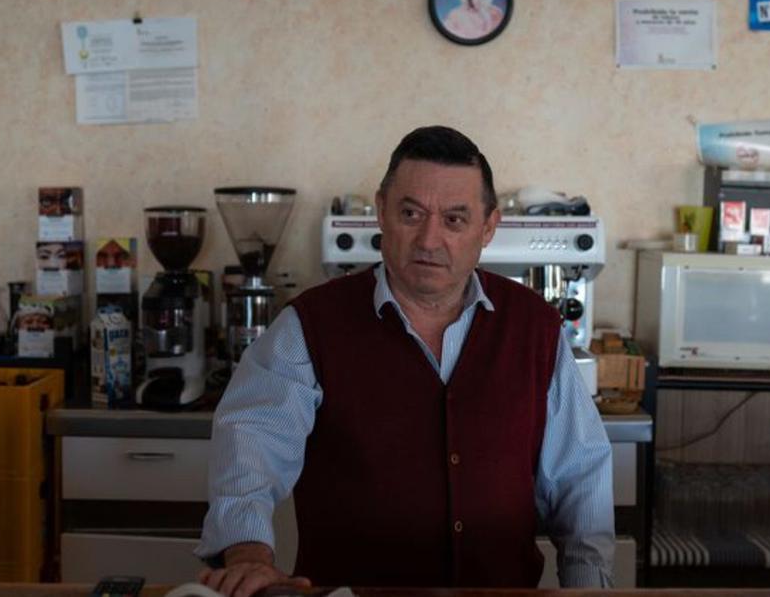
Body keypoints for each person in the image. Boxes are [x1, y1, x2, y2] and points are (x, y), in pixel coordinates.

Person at [196, 126, 614, 596]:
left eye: (455, 220)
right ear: (381, 211)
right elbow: (251, 442)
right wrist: (248, 553)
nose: (429, 239)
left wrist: (588, 591)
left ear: (488, 227)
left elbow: (580, 485)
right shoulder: (309, 327)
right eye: (411, 213)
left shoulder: (536, 329)